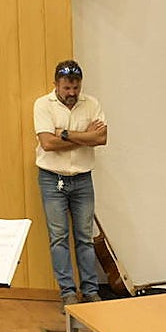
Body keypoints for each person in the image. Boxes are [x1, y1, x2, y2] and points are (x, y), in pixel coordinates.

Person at [34, 60, 108, 307]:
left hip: (82, 178)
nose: (72, 93)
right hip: (52, 178)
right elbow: (47, 144)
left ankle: (90, 291)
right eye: (66, 88)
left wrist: (64, 134)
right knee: (59, 238)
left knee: (85, 237)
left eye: (76, 88)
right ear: (56, 84)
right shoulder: (43, 104)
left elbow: (101, 138)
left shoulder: (92, 104)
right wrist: (85, 136)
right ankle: (67, 292)